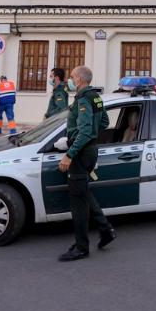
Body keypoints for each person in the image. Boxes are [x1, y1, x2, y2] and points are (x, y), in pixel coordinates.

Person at [57, 66, 116, 261]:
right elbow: (105, 122)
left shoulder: (83, 99)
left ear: (80, 79)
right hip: (90, 151)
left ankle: (81, 247)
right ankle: (106, 230)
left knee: (78, 202)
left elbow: (86, 131)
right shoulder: (95, 97)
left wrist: (69, 154)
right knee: (83, 191)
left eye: (72, 77)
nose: (70, 81)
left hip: (81, 153)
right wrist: (90, 134)